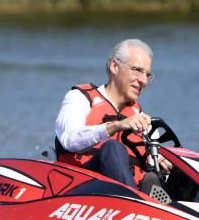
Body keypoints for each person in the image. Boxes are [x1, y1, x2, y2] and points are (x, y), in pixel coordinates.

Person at [54, 38, 169, 188]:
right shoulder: (80, 98)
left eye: (147, 75)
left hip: (126, 196)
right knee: (113, 148)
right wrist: (115, 126)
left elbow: (155, 164)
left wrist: (167, 165)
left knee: (182, 170)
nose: (144, 81)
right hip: (80, 188)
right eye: (137, 71)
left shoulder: (145, 121)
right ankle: (137, 203)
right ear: (115, 66)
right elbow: (69, 140)